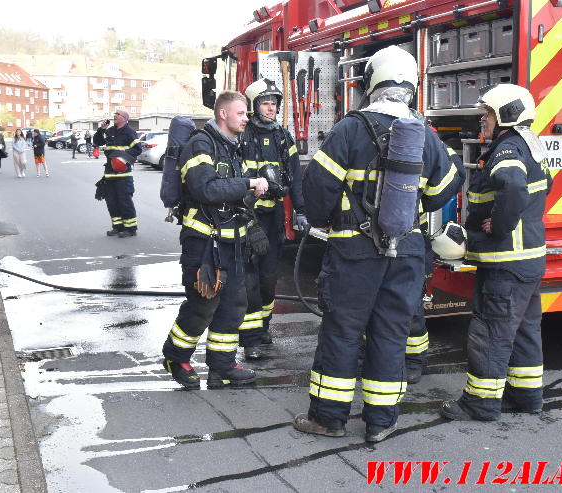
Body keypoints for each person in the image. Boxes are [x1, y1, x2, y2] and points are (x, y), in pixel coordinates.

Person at [293, 45, 465, 442]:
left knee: (343, 331)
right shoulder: (424, 134)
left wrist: (324, 218)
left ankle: (329, 418)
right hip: (406, 252)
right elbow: (443, 192)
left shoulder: (350, 128)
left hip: (354, 252)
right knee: (390, 333)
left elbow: (317, 188)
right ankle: (381, 422)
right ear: (410, 86)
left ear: (373, 82)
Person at [440, 83, 552, 423]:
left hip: (506, 261)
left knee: (491, 331)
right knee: (524, 329)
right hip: (529, 260)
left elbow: (514, 186)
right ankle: (527, 396)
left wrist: (499, 225)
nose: (482, 121)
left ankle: (480, 403)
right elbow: (543, 186)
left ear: (506, 114)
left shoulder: (507, 150)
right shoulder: (529, 144)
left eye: (487, 114)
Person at [161, 91, 269, 390]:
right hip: (204, 243)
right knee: (202, 304)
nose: (247, 118)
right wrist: (248, 183)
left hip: (232, 241)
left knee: (234, 305)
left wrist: (257, 200)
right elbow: (205, 190)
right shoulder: (201, 144)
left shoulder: (232, 147)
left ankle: (222, 365)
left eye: (246, 113)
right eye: (241, 113)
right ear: (223, 114)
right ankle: (176, 357)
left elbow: (235, 196)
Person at [237, 78, 308, 360]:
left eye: (274, 103)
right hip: (247, 215)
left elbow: (296, 177)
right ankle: (250, 338)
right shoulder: (242, 135)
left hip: (273, 214)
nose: (271, 108)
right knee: (249, 278)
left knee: (268, 278)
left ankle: (262, 327)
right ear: (254, 106)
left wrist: (300, 211)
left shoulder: (282, 136)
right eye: (266, 103)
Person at [93, 111, 141, 237]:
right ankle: (117, 227)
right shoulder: (109, 131)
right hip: (109, 173)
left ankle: (130, 229)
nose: (114, 116)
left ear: (124, 119)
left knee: (125, 201)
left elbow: (137, 149)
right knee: (112, 202)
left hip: (123, 174)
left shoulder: (130, 132)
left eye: (117, 114)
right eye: (114, 114)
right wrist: (101, 129)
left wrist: (124, 155)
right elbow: (97, 142)